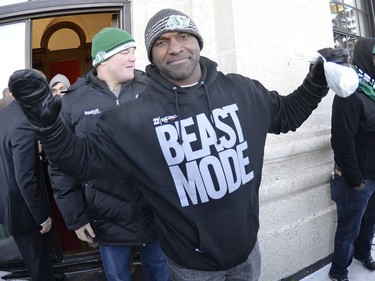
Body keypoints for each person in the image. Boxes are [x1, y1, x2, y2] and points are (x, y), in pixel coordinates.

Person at [9, 8, 348, 281]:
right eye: (162, 42)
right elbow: (81, 161)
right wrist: (50, 128)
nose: (175, 46)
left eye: (184, 36)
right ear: (152, 56)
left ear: (198, 42)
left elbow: (287, 115)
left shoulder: (241, 91)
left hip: (248, 255)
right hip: (190, 267)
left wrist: (316, 81)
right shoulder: (134, 117)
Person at [48, 27, 170, 281]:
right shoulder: (72, 101)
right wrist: (76, 217)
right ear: (102, 59)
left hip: (155, 212)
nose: (133, 57)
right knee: (117, 276)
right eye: (125, 52)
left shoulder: (151, 87)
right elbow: (60, 165)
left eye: (134, 51)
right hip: (106, 218)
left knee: (161, 272)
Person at [0, 72, 55, 281]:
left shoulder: (5, 115)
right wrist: (42, 216)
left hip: (9, 206)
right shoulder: (23, 121)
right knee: (39, 265)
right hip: (24, 211)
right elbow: (25, 176)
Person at [328, 38, 375, 281]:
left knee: (370, 223)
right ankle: (338, 271)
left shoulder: (374, 90)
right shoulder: (349, 93)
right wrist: (356, 181)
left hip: (373, 176)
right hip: (355, 180)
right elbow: (341, 141)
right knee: (348, 229)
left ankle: (363, 254)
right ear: (366, 57)